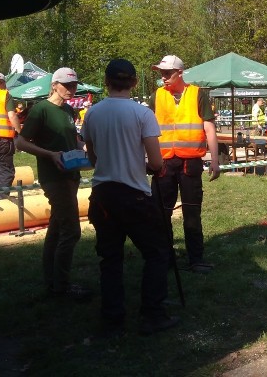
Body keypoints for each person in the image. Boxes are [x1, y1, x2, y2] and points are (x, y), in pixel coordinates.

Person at [82, 58, 179, 336]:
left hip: (103, 195)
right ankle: (152, 314)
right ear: (134, 83)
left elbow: (92, 157)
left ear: (106, 82)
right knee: (157, 252)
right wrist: (145, 166)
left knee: (110, 259)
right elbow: (158, 163)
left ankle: (113, 319)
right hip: (134, 195)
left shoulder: (93, 114)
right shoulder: (142, 114)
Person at [16, 67, 91, 301]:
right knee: (71, 230)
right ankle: (62, 285)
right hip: (53, 177)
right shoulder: (40, 110)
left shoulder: (69, 110)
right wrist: (50, 155)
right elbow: (21, 142)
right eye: (67, 85)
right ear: (54, 85)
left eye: (74, 85)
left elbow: (73, 140)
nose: (72, 89)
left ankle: (52, 281)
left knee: (57, 227)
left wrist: (86, 149)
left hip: (71, 174)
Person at [150, 55, 220, 274]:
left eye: (167, 73)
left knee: (191, 212)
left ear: (180, 72)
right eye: (161, 73)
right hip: (163, 163)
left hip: (190, 162)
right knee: (161, 213)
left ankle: (195, 259)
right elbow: (148, 130)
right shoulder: (157, 96)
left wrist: (215, 160)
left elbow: (209, 128)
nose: (163, 77)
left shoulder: (198, 94)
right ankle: (164, 257)